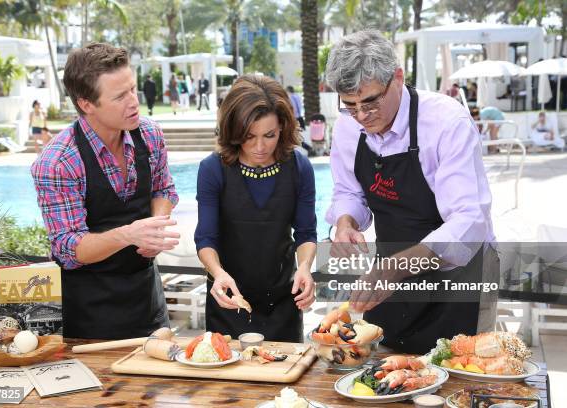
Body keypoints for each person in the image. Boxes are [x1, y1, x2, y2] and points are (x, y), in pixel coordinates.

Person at [324, 30, 498, 354]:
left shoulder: (447, 123)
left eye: (370, 102)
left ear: (398, 78)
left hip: (458, 274)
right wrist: (345, 223)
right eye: (350, 106)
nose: (362, 116)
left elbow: (469, 221)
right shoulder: (348, 127)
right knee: (386, 370)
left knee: (460, 376)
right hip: (392, 271)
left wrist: (394, 268)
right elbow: (348, 190)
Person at [31, 43, 180, 340]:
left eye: (133, 89)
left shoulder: (149, 134)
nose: (134, 102)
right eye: (120, 96)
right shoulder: (57, 163)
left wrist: (156, 227)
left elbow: (164, 188)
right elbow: (69, 249)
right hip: (90, 314)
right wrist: (129, 235)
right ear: (87, 104)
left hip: (148, 301)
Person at [195, 75, 317, 342]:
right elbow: (205, 238)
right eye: (249, 136)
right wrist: (217, 274)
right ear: (233, 130)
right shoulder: (212, 169)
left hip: (284, 304)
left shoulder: (299, 168)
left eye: (270, 135)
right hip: (228, 299)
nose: (260, 147)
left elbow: (306, 233)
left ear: (283, 127)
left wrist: (305, 267)